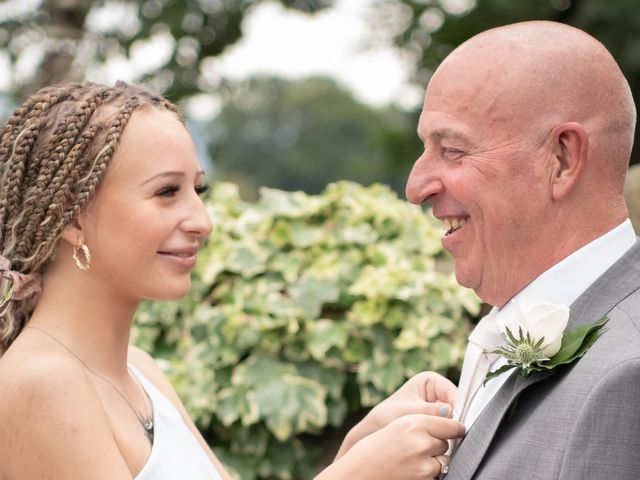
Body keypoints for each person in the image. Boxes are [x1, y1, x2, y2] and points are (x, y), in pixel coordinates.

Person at [0, 81, 464, 479]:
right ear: (73, 218)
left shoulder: (142, 372)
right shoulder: (39, 382)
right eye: (166, 192)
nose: (202, 220)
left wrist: (363, 444)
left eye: (196, 190)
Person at [405, 20, 640, 479]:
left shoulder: (627, 377)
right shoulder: (511, 325)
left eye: (452, 149)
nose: (416, 188)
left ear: (563, 159)